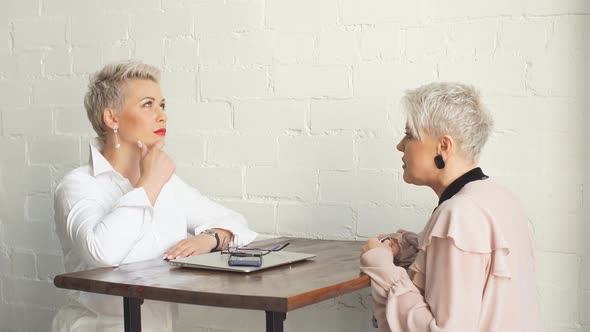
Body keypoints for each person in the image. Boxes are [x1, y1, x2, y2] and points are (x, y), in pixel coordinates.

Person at [52, 60, 257, 331]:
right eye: (148, 104)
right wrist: (150, 183)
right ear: (112, 118)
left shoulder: (168, 184)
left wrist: (212, 237)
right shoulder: (78, 185)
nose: (162, 115)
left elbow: (237, 224)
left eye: (162, 105)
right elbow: (103, 252)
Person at [360, 82, 543, 331]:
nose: (400, 145)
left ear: (443, 147)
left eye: (410, 135)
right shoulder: (501, 197)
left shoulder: (458, 215)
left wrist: (380, 265)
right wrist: (404, 247)